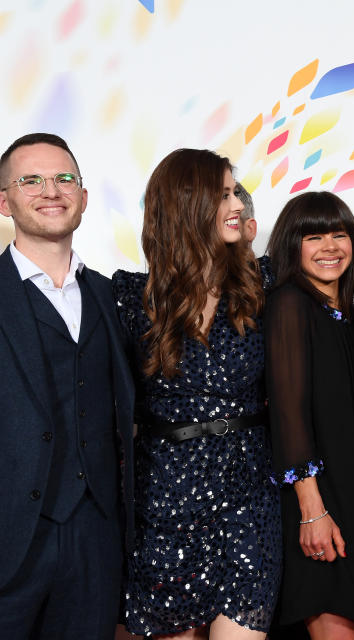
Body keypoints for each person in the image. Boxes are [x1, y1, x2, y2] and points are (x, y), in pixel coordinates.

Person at [113, 148, 281, 638]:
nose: (238, 205)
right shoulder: (129, 299)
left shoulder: (262, 285)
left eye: (235, 192)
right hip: (165, 501)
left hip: (249, 497)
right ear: (186, 205)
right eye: (223, 194)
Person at [0, 133, 135, 639]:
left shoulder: (111, 294)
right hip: (9, 534)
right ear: (4, 200)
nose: (50, 191)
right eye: (30, 180)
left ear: (82, 196)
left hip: (97, 538)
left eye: (64, 179)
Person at [263, 191, 354, 638]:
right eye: (313, 237)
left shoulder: (349, 317)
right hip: (320, 502)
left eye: (339, 235)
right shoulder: (289, 304)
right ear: (291, 245)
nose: (330, 247)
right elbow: (288, 413)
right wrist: (311, 509)